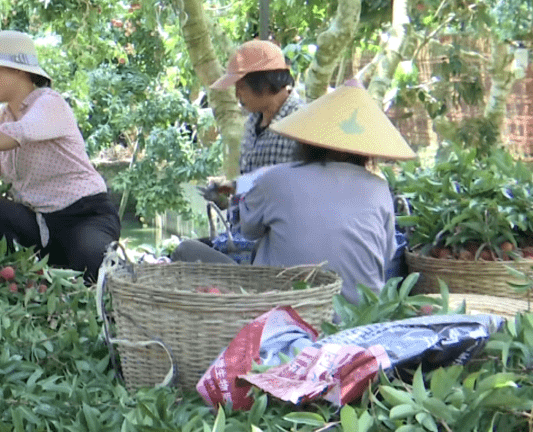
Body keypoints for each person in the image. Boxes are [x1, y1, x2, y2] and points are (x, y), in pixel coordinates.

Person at [173, 83, 415, 304]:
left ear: (306, 142)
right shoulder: (379, 189)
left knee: (186, 250)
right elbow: (384, 256)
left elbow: (247, 231)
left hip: (281, 310)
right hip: (360, 316)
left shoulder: (276, 178)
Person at [0, 31, 120, 283]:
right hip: (39, 223)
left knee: (92, 262)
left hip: (83, 215)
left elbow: (20, 133)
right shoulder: (2, 117)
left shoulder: (50, 103)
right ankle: (24, 282)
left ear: (19, 71)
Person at [202, 39, 304, 262]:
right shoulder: (251, 123)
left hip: (281, 245)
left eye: (242, 86)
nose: (237, 93)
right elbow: (258, 180)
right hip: (244, 236)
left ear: (265, 83)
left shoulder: (302, 123)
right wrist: (234, 187)